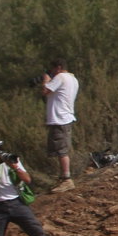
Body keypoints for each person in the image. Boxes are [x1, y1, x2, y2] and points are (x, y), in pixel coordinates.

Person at [40, 58, 79, 190]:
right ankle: (63, 177)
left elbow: (45, 91)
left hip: (60, 118)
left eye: (52, 69)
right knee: (60, 149)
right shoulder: (72, 78)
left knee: (61, 150)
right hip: (64, 117)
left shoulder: (61, 77)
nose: (51, 72)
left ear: (58, 67)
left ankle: (67, 179)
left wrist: (46, 78)